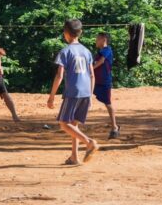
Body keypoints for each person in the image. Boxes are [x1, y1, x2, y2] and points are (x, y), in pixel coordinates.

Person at [47, 19, 99, 165]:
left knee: (64, 124)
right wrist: (90, 95)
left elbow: (59, 75)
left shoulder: (65, 51)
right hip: (86, 91)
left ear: (65, 34)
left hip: (73, 92)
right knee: (73, 125)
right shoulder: (86, 51)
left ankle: (89, 142)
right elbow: (92, 75)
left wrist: (51, 97)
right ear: (80, 33)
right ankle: (74, 157)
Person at [93, 32, 120, 139]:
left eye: (97, 39)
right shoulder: (99, 52)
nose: (96, 40)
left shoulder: (107, 50)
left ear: (104, 39)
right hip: (95, 81)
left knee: (108, 104)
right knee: (83, 96)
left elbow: (101, 61)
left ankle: (114, 127)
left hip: (104, 82)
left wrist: (91, 69)